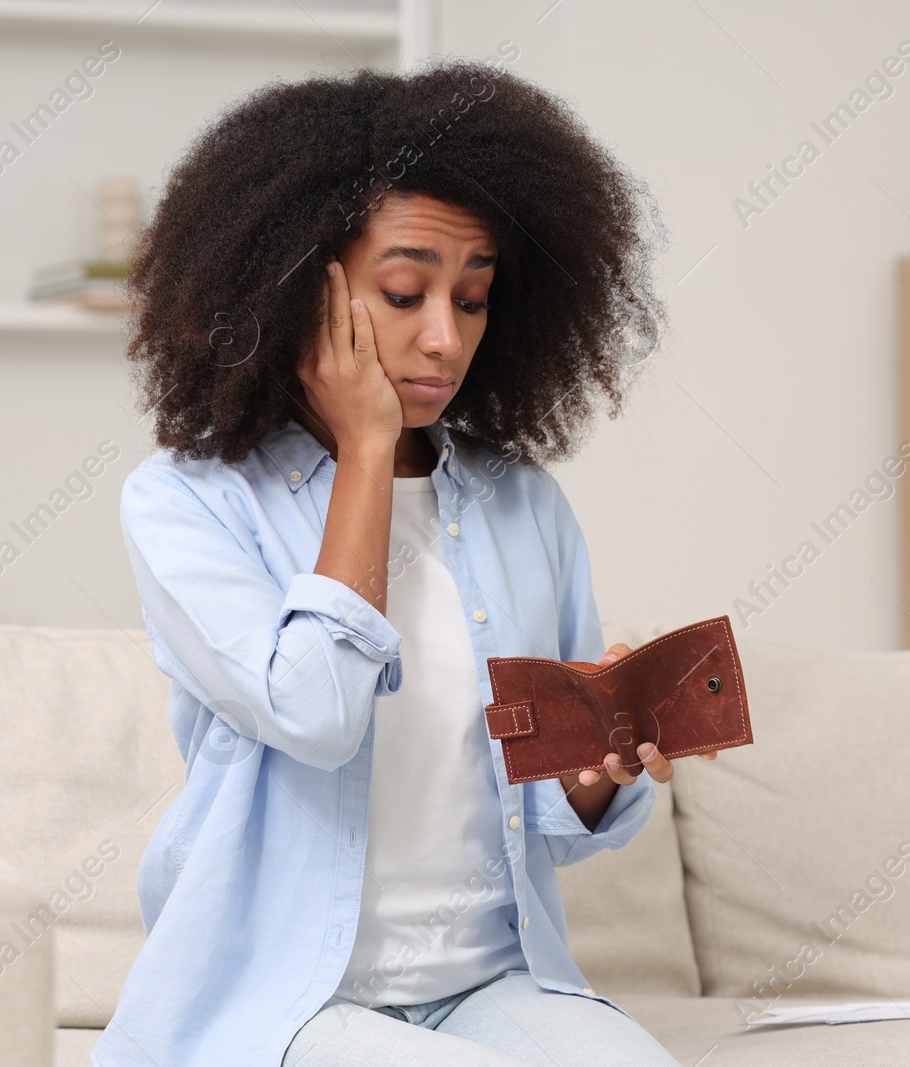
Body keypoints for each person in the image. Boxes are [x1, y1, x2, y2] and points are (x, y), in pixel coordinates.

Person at [95, 58, 710, 1067]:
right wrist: (369, 448)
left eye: (471, 299)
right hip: (284, 997)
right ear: (301, 289)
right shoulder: (187, 503)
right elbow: (316, 712)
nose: (443, 336)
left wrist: (598, 773)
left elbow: (552, 813)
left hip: (489, 979)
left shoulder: (524, 506)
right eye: (401, 290)